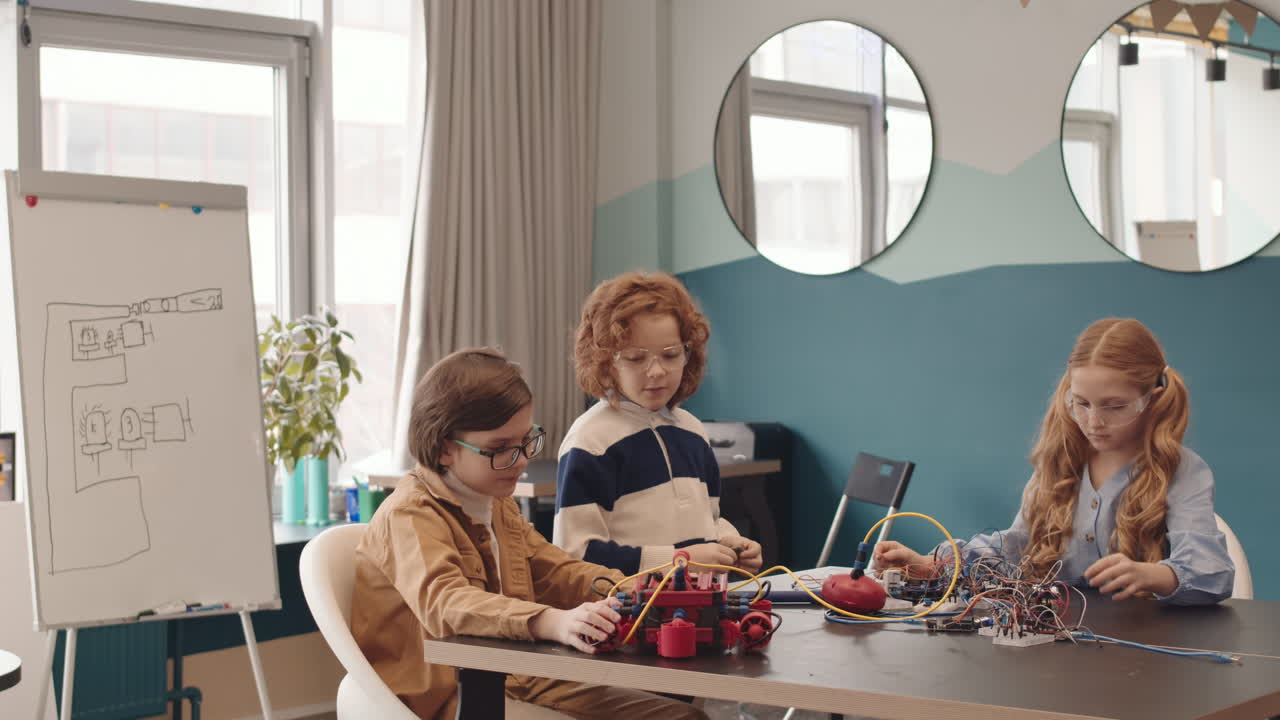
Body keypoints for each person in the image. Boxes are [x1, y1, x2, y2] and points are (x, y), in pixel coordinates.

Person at [351, 347, 707, 719]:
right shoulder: (410, 514)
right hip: (449, 698)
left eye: (526, 440)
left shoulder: (496, 501)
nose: (521, 460)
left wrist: (646, 594)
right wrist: (552, 621)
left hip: (516, 675)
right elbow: (447, 602)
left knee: (683, 716)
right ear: (445, 449)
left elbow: (556, 570)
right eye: (499, 449)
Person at [875, 318, 1234, 605]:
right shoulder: (1061, 462)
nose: (1094, 421)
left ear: (1153, 400)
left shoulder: (1183, 471)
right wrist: (931, 565)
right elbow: (1016, 548)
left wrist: (1154, 575)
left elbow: (1212, 574)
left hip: (1149, 653)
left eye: (1115, 407)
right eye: (1081, 403)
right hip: (1063, 648)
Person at [553, 271, 762, 576]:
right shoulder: (591, 440)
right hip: (629, 616)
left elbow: (707, 519)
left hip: (699, 609)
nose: (656, 371)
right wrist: (677, 560)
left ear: (688, 353)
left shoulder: (692, 431)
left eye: (670, 354)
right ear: (604, 360)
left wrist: (730, 540)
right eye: (636, 358)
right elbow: (575, 554)